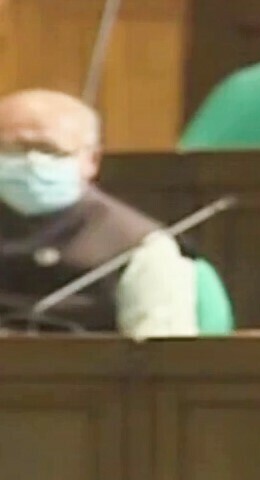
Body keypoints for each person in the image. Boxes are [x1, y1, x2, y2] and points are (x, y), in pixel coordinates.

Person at [0, 89, 198, 338]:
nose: (30, 161)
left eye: (48, 149)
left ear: (91, 160)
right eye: (12, 148)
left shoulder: (139, 247)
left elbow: (164, 352)